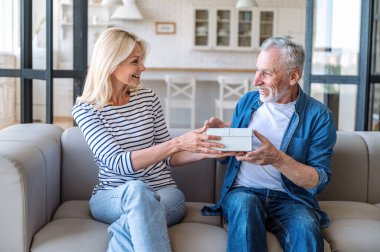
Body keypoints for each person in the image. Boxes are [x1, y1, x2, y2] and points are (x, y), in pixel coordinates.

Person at [72, 27, 236, 252]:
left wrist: (204, 148)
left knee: (131, 219)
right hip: (112, 197)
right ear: (112, 63)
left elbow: (169, 158)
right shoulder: (87, 109)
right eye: (135, 61)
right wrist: (177, 143)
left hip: (164, 193)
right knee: (136, 190)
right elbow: (117, 162)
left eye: (142, 60)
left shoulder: (148, 98)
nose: (143, 67)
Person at [202, 36, 337, 252]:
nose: (256, 81)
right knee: (245, 209)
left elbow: (319, 181)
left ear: (293, 76)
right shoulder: (248, 102)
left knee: (306, 228)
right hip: (243, 192)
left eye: (266, 73)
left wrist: (277, 158)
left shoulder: (319, 116)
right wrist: (221, 138)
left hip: (291, 199)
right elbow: (226, 157)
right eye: (257, 70)